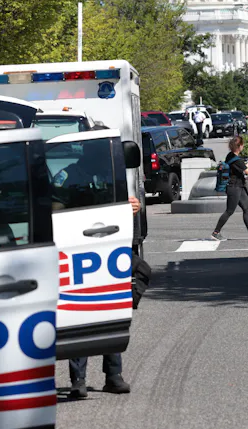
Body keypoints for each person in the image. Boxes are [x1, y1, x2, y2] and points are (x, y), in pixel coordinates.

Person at [67, 169, 145, 399]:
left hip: (110, 248)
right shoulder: (69, 177)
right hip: (79, 249)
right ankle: (78, 380)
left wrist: (132, 207)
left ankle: (113, 375)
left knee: (113, 308)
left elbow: (123, 211)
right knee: (81, 313)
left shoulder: (111, 176)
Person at [210, 135, 248, 240]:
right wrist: (247, 164)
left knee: (246, 208)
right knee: (229, 211)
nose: (243, 146)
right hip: (233, 188)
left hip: (239, 187)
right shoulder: (237, 160)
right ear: (239, 146)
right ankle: (216, 232)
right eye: (242, 145)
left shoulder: (230, 156)